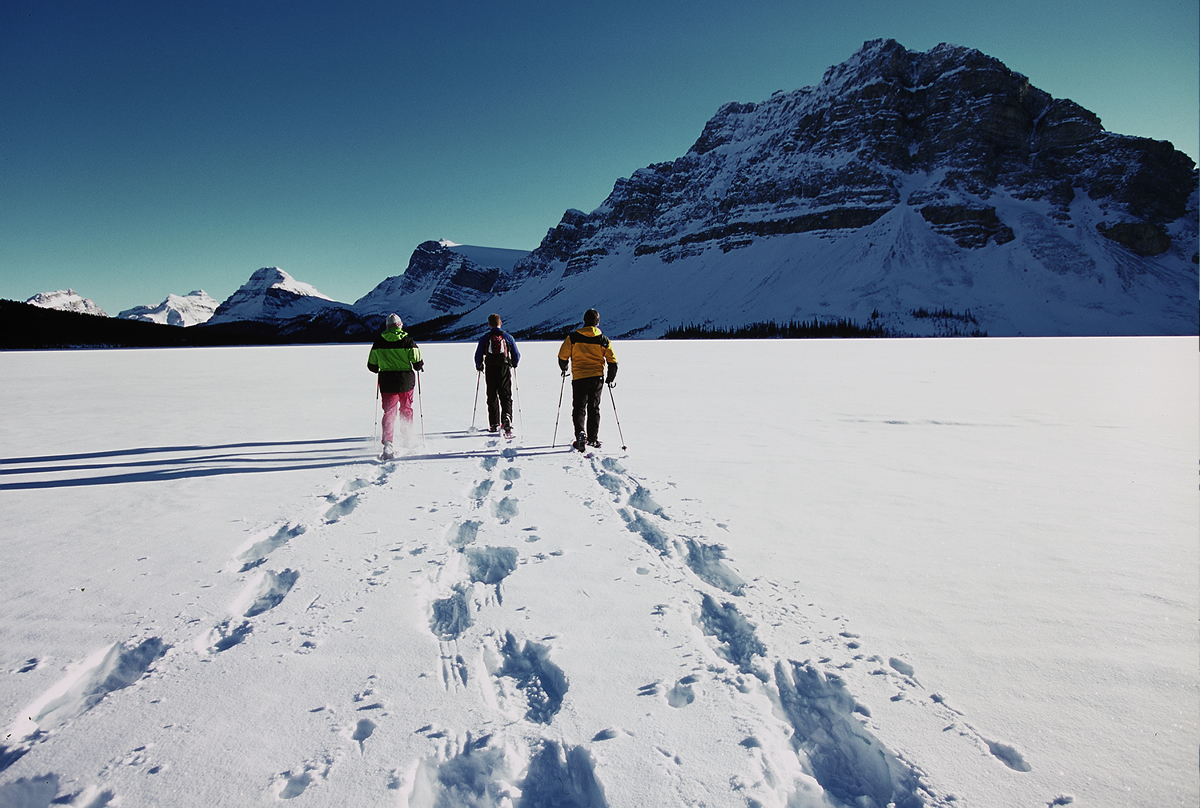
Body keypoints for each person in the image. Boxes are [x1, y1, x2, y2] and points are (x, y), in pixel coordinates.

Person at [557, 308, 617, 451]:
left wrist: (564, 368)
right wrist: (610, 378)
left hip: (579, 377)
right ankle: (592, 438)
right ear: (597, 322)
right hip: (597, 378)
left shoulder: (573, 337)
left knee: (579, 407)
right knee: (594, 407)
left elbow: (562, 356)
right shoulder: (603, 340)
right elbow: (612, 361)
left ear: (584, 321)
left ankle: (580, 434)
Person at [367, 313, 423, 459]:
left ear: (387, 327)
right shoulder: (408, 342)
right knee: (406, 409)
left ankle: (388, 443)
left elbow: (372, 366)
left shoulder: (378, 343)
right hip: (406, 381)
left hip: (387, 382)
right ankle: (407, 437)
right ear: (400, 325)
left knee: (389, 413)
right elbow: (417, 363)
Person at [474, 313, 521, 437]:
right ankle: (507, 417)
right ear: (501, 323)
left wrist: (479, 365)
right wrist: (514, 363)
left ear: (489, 325)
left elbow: (478, 354)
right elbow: (516, 354)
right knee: (505, 395)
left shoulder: (485, 337)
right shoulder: (507, 337)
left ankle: (494, 423)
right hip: (504, 367)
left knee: (492, 395)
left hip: (490, 368)